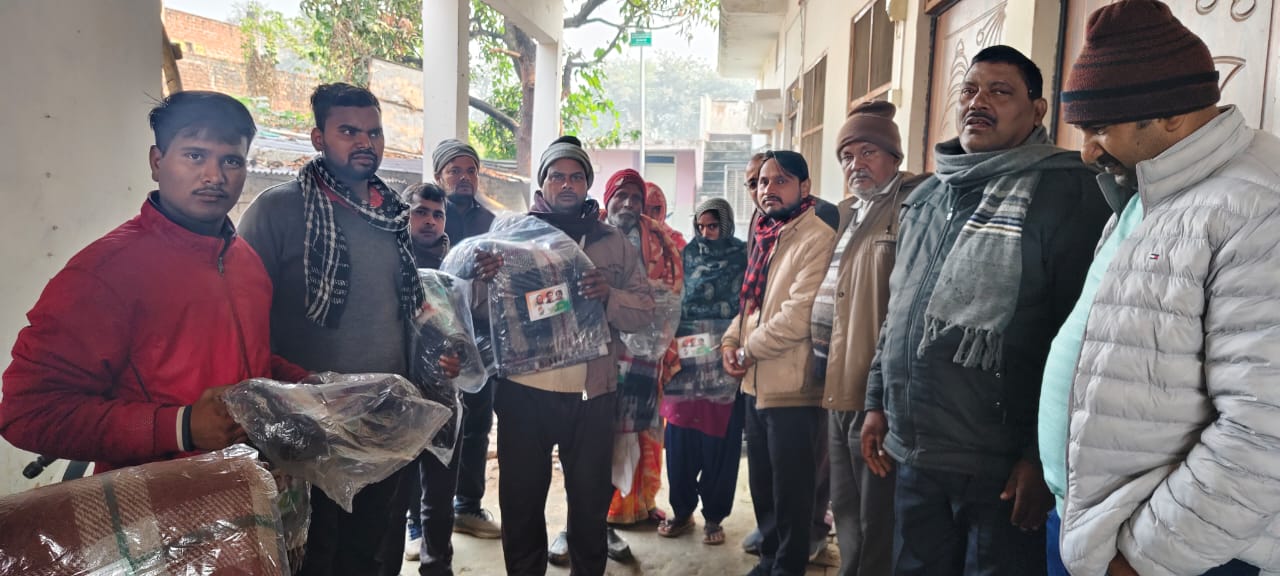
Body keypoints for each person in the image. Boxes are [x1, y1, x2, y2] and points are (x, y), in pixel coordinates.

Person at [1048, 2, 1280, 576]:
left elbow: (1263, 428)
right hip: (1095, 527)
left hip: (1188, 554)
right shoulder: (1154, 190)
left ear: (1172, 116)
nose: (1087, 151)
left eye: (1100, 128)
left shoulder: (1255, 208)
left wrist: (1145, 557)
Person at [859, 45, 1109, 575]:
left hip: (1000, 467)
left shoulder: (1068, 193)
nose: (978, 102)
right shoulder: (928, 197)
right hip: (917, 451)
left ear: (1037, 110)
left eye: (1000, 92)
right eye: (969, 90)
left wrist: (1039, 459)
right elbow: (898, 314)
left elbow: (1080, 340)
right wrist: (877, 400)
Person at [0, 91, 309, 474]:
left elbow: (239, 361)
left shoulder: (246, 261)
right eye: (195, 155)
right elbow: (27, 411)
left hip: (251, 485)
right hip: (158, 500)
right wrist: (181, 426)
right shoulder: (105, 272)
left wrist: (307, 386)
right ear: (157, 162)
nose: (214, 176)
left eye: (231, 160)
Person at [239, 83, 456, 576]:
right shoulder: (278, 211)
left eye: (374, 132)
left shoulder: (393, 216)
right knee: (310, 552)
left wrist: (435, 358)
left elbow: (406, 307)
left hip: (383, 415)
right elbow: (244, 316)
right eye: (348, 131)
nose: (365, 142)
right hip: (306, 417)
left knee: (370, 548)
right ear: (318, 138)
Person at [495, 136, 655, 576]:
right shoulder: (513, 234)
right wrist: (482, 278)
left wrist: (609, 295)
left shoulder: (612, 241)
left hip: (591, 394)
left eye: (576, 177)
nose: (567, 184)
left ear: (587, 184)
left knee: (589, 504)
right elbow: (482, 309)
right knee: (521, 502)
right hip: (523, 391)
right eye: (557, 176)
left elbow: (644, 310)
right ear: (542, 182)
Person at [813, 101, 926, 576]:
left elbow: (909, 305)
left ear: (894, 157)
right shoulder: (847, 213)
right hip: (836, 382)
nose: (855, 164)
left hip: (875, 389)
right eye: (847, 156)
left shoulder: (914, 206)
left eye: (868, 152)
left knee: (877, 512)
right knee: (846, 507)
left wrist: (883, 394)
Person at [722, 150, 839, 576]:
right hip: (756, 383)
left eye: (781, 180)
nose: (768, 189)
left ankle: (788, 567)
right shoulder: (769, 233)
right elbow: (751, 304)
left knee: (792, 489)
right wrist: (729, 341)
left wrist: (745, 350)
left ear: (804, 187)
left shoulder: (816, 236)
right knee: (764, 483)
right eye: (763, 182)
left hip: (792, 384)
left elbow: (797, 315)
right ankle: (770, 558)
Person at [659, 197, 748, 546]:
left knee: (719, 445)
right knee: (679, 444)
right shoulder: (686, 255)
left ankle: (714, 517)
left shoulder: (742, 257)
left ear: (726, 225)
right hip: (685, 367)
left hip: (724, 368)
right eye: (701, 226)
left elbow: (749, 306)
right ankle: (682, 512)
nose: (707, 233)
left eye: (713, 226)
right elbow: (671, 300)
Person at [430, 138, 503, 541]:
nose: (464, 177)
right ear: (439, 175)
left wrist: (497, 269)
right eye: (454, 170)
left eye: (471, 170)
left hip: (480, 338)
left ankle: (468, 507)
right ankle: (420, 522)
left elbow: (505, 277)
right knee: (430, 426)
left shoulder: (491, 222)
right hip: (431, 340)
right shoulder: (425, 215)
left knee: (476, 423)